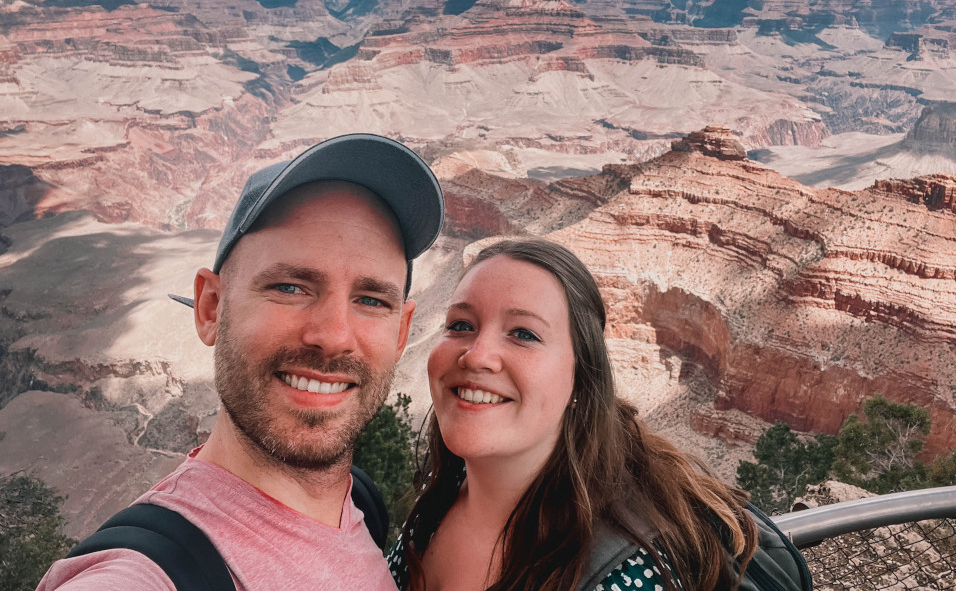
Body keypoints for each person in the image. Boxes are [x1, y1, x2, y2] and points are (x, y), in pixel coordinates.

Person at [38, 133, 445, 591]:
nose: (333, 337)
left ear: (402, 333)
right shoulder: (147, 574)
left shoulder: (363, 507)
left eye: (371, 299)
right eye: (290, 287)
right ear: (211, 308)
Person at [388, 238, 759, 591]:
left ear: (581, 380)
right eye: (461, 325)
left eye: (523, 333)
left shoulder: (625, 576)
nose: (477, 355)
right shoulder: (438, 500)